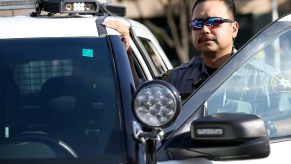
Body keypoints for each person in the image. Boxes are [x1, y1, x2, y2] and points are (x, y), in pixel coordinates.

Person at [102, 0, 239, 100]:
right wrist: (126, 48)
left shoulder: (258, 78)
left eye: (213, 22)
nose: (204, 30)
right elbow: (140, 95)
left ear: (234, 28)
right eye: (197, 24)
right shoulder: (177, 79)